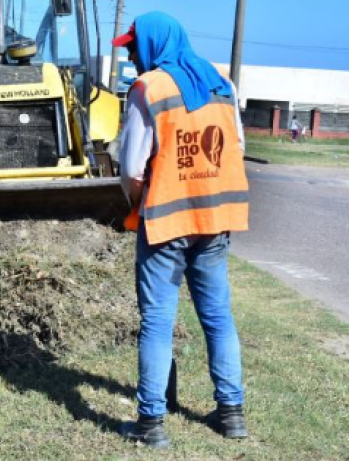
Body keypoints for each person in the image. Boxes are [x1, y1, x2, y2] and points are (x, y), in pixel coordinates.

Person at [112, 12, 250, 448]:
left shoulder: (148, 88)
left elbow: (132, 166)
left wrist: (137, 202)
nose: (132, 55)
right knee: (217, 318)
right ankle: (231, 415)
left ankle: (151, 423)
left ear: (153, 44)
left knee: (156, 321)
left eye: (133, 47)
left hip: (167, 223)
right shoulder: (221, 84)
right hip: (215, 220)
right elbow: (238, 146)